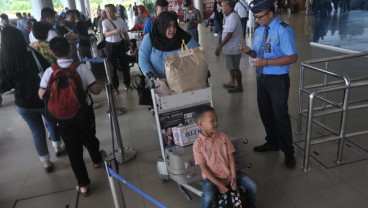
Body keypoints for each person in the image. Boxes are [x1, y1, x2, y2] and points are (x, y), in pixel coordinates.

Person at [38, 37, 105, 196]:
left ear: (52, 53)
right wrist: (101, 85)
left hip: (62, 118)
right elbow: (94, 90)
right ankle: (96, 160)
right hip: (83, 114)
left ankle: (83, 185)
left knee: (73, 150)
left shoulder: (50, 71)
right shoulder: (80, 68)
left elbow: (41, 94)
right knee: (89, 137)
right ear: (70, 49)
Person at [0, 27, 65, 173]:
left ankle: (46, 162)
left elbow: (4, 84)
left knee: (36, 131)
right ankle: (57, 146)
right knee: (51, 122)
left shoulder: (4, 59)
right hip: (42, 98)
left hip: (23, 102)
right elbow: (47, 69)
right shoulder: (32, 52)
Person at [241, 0, 298, 168]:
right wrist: (249, 52)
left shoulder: (283, 30)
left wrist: (265, 63)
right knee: (265, 112)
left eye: (259, 17)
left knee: (280, 116)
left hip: (278, 80)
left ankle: (289, 152)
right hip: (262, 78)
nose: (256, 20)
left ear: (270, 14)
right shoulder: (259, 31)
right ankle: (272, 142)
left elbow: (292, 57)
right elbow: (258, 53)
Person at [193, 106, 257, 208]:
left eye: (216, 119)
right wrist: (218, 184)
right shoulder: (198, 145)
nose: (216, 123)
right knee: (208, 196)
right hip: (211, 178)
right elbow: (203, 167)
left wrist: (234, 177)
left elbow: (231, 157)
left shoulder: (223, 136)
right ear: (201, 123)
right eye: (212, 121)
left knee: (252, 185)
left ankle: (249, 205)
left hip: (229, 173)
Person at [139, 11, 199, 78]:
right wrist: (155, 80)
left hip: (181, 83)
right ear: (161, 26)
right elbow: (143, 61)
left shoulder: (183, 38)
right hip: (157, 84)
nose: (172, 29)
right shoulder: (150, 39)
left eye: (174, 26)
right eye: (168, 26)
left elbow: (198, 53)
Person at [215, 0, 244, 93]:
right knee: (230, 66)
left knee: (235, 67)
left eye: (222, 6)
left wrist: (219, 46)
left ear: (228, 6)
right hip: (229, 47)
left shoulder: (233, 17)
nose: (221, 8)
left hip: (234, 47)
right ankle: (232, 82)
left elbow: (229, 34)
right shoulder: (227, 16)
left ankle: (239, 86)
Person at [102, 4, 132, 94]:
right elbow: (106, 34)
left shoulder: (120, 20)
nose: (109, 14)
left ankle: (127, 84)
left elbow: (125, 33)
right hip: (110, 46)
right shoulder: (105, 22)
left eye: (110, 11)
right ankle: (115, 87)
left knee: (125, 66)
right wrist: (114, 32)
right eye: (107, 12)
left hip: (120, 45)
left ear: (115, 11)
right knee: (113, 67)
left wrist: (129, 43)